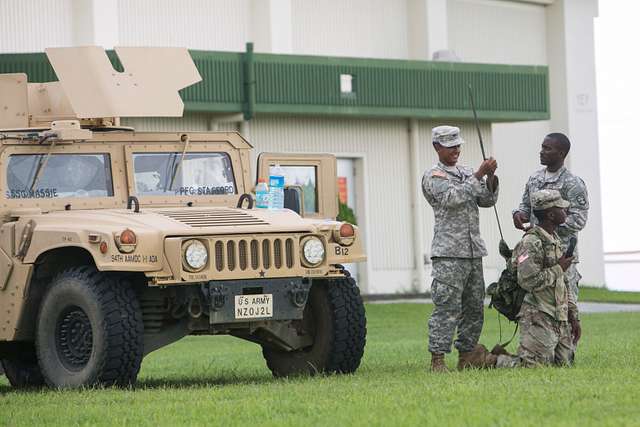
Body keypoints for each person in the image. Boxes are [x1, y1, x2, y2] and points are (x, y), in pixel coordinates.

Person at [421, 125, 499, 372]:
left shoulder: (466, 172)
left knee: (475, 306)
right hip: (449, 253)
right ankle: (438, 360)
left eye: (458, 145)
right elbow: (451, 199)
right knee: (447, 307)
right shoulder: (434, 176)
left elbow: (486, 200)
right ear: (437, 147)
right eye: (449, 145)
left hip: (473, 251)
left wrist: (491, 179)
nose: (455, 149)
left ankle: (467, 355)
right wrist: (478, 176)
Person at [487, 189, 581, 368]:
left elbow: (564, 283)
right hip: (538, 313)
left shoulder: (554, 239)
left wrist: (573, 316)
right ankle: (489, 359)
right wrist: (558, 268)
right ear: (551, 214)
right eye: (561, 208)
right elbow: (528, 281)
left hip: (558, 316)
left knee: (564, 364)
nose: (566, 211)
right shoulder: (531, 243)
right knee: (532, 366)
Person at [512, 133, 588, 335]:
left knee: (566, 303)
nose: (542, 151)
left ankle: (566, 351)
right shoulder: (534, 178)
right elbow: (525, 206)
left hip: (562, 255)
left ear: (561, 153)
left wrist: (547, 230)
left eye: (548, 148)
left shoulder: (573, 183)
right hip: (536, 254)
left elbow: (579, 219)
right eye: (542, 147)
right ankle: (538, 345)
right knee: (536, 302)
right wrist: (519, 215)